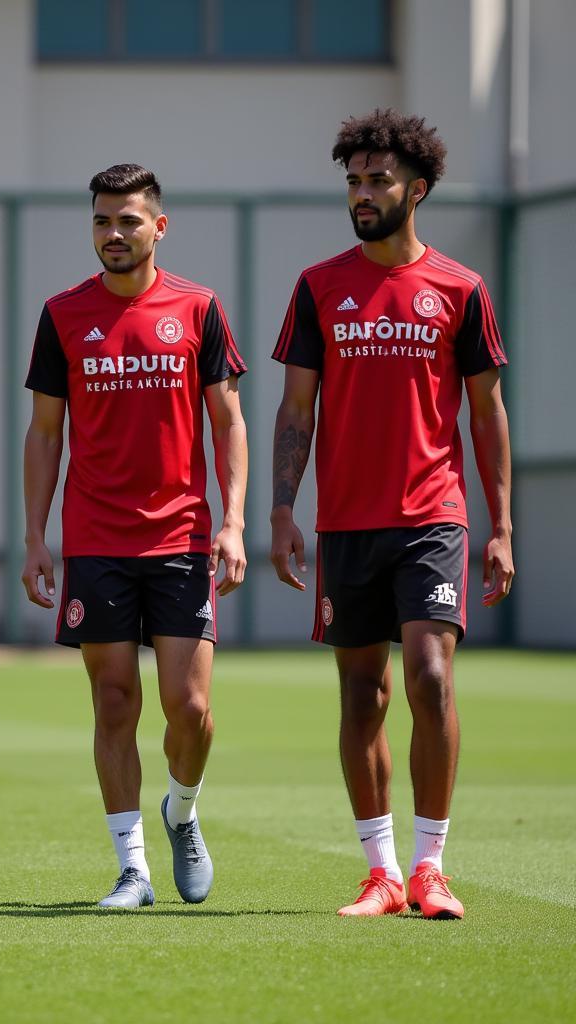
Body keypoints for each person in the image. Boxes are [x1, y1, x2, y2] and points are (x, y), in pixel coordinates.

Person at [270, 109, 514, 920]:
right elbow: (296, 410)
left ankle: (431, 867)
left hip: (433, 516)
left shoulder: (461, 290)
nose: (364, 193)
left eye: (378, 180)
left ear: (419, 189)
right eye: (354, 180)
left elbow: (486, 412)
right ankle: (380, 874)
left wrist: (503, 526)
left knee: (431, 678)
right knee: (362, 696)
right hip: (345, 523)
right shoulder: (318, 287)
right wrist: (280, 508)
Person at [23, 164, 248, 909]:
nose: (113, 234)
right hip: (96, 543)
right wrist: (34, 537)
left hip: (182, 541)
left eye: (128, 220)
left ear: (159, 226)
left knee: (191, 710)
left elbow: (228, 422)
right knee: (115, 703)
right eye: (101, 221)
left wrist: (234, 520)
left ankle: (182, 812)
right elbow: (46, 433)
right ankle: (133, 870)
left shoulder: (199, 308)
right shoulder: (62, 315)